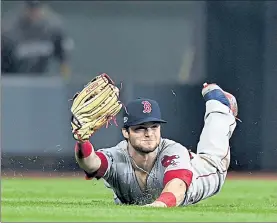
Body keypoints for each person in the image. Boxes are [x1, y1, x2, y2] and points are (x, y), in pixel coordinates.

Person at [74, 83, 238, 207]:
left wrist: (157, 206)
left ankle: (220, 106)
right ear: (125, 132)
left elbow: (177, 186)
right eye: (140, 128)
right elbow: (91, 164)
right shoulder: (117, 156)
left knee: (213, 153)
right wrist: (82, 142)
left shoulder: (172, 151)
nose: (149, 133)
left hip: (202, 172)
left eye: (154, 126)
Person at [1, 1, 73, 77]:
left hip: (41, 82)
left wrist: (66, 78)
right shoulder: (10, 30)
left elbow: (64, 59)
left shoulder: (53, 30)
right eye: (31, 8)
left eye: (37, 8)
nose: (34, 12)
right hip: (16, 81)